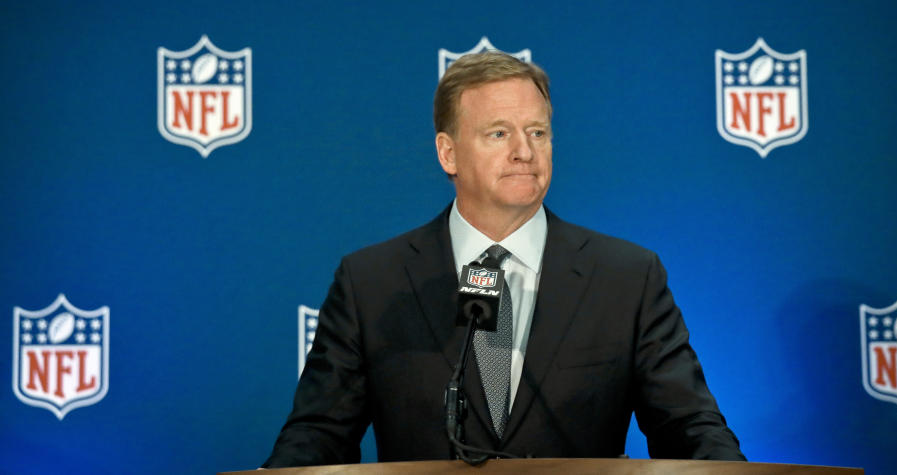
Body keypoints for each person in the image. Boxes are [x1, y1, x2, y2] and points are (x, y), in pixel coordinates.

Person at [263, 52, 744, 466]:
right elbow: (319, 437)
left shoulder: (626, 278)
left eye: (538, 132)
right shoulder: (372, 282)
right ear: (448, 154)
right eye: (498, 134)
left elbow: (689, 428)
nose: (524, 151)